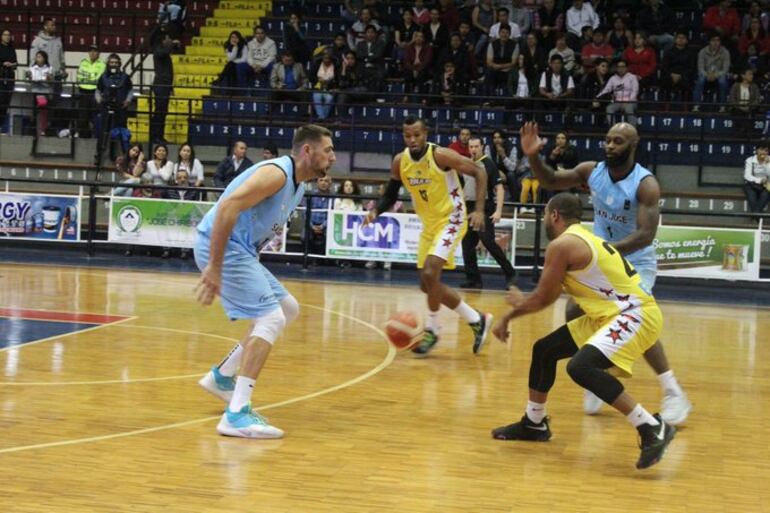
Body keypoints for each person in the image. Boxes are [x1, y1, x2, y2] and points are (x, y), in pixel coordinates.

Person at [519, 121, 692, 426]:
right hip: (601, 257)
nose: (610, 146)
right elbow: (550, 178)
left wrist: (605, 251)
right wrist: (533, 156)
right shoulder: (591, 171)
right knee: (575, 309)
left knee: (636, 314)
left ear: (632, 145)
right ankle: (598, 372)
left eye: (618, 141)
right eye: (608, 140)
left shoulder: (645, 184)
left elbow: (645, 234)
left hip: (635, 260)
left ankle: (673, 390)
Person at [490, 192, 676, 470]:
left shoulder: (563, 244)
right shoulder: (584, 238)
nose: (544, 220)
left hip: (634, 313)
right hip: (608, 314)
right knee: (545, 350)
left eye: (545, 215)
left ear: (554, 215)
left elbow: (542, 299)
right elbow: (549, 294)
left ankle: (650, 426)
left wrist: (509, 315)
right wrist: (515, 311)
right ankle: (534, 423)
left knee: (581, 367)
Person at [194, 125, 336, 438]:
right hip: (223, 247)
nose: (333, 157)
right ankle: (236, 413)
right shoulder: (278, 174)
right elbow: (228, 206)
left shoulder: (298, 185)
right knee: (270, 318)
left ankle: (222, 377)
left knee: (287, 309)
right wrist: (215, 267)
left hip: (240, 251)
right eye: (328, 150)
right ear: (307, 151)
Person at [364, 116, 493, 356]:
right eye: (407, 136)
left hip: (451, 218)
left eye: (417, 135)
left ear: (426, 134)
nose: (412, 140)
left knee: (431, 273)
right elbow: (391, 194)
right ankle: (477, 319)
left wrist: (479, 210)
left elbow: (479, 171)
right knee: (427, 284)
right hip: (429, 224)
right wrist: (375, 211)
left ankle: (433, 329)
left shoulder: (440, 155)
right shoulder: (399, 162)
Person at [459, 136, 516, 289]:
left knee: (488, 241)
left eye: (476, 146)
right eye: (471, 147)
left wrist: (498, 211)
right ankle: (474, 280)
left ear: (482, 147)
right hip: (468, 207)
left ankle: (511, 274)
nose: (473, 149)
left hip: (484, 207)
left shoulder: (488, 164)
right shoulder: (465, 163)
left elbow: (499, 188)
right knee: (467, 244)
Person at [151, 32, 179, 144]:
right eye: (168, 38)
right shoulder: (158, 50)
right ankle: (155, 136)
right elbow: (164, 52)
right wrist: (172, 44)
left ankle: (159, 135)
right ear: (163, 40)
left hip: (165, 85)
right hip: (161, 85)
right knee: (159, 111)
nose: (170, 40)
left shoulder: (164, 52)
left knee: (162, 112)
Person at [75, 44, 105, 139]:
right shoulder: (83, 63)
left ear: (99, 53)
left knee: (95, 116)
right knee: (83, 116)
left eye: (95, 51)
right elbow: (79, 77)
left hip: (95, 92)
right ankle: (83, 136)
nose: (92, 53)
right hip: (83, 92)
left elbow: (99, 79)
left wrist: (88, 78)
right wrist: (92, 78)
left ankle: (96, 137)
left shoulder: (102, 64)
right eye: (91, 51)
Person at [26, 51, 52, 136]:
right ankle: (32, 131)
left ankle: (43, 130)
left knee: (43, 112)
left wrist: (48, 78)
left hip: (44, 91)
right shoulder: (32, 68)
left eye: (40, 57)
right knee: (34, 112)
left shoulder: (49, 68)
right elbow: (30, 80)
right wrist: (30, 77)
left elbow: (50, 81)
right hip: (35, 91)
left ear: (44, 58)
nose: (38, 59)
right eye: (37, 57)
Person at [743, 140, 770, 214]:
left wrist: (767, 164)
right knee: (752, 199)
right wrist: (760, 180)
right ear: (757, 150)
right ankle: (757, 218)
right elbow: (747, 176)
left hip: (766, 186)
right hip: (751, 185)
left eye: (766, 150)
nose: (763, 152)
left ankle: (755, 216)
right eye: (761, 149)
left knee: (765, 195)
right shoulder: (750, 160)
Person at [0, 29, 17, 135]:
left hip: (10, 77)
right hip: (1, 77)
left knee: (6, 103)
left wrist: (11, 64)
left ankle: (1, 126)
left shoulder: (12, 49)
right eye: (5, 35)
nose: (7, 37)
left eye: (9, 35)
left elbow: (16, 63)